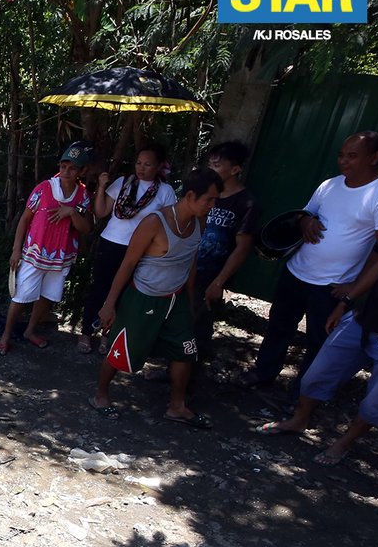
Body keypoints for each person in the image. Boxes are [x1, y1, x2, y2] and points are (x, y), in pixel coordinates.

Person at [241, 131, 378, 390]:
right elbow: (304, 214)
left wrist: (353, 291)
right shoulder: (330, 185)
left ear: (375, 157)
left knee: (319, 341)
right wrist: (305, 221)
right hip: (297, 271)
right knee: (278, 326)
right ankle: (264, 372)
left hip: (333, 283)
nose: (344, 161)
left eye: (353, 156)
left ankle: (303, 394)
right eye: (341, 155)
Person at [89, 168, 224, 426]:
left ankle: (177, 406)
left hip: (176, 299)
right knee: (122, 351)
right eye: (209, 199)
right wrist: (109, 304)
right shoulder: (154, 222)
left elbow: (191, 262)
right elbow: (127, 264)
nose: (212, 205)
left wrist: (190, 298)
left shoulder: (199, 221)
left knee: (186, 350)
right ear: (191, 195)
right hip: (143, 298)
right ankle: (100, 394)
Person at [256, 234, 378, 465]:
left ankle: (344, 443)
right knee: (316, 375)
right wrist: (346, 301)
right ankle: (299, 419)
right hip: (363, 319)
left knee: (375, 403)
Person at [0, 142, 93, 355]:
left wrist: (72, 213)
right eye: (64, 165)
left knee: (46, 296)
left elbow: (86, 228)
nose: (67, 171)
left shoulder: (82, 196)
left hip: (61, 257)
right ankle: (6, 335)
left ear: (82, 172)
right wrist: (16, 250)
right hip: (35, 254)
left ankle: (30, 330)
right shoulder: (45, 188)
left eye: (73, 168)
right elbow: (24, 220)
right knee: (21, 296)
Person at [78, 144, 178, 354]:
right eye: (139, 163)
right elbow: (102, 211)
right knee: (100, 289)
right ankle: (87, 332)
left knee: (124, 295)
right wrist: (102, 188)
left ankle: (108, 335)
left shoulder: (165, 191)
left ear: (159, 166)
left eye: (148, 164)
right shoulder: (122, 183)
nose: (141, 168)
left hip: (139, 251)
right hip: (111, 243)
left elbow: (169, 222)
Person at [193, 140, 261, 358]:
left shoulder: (246, 203)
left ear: (235, 169)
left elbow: (242, 248)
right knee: (178, 321)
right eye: (210, 165)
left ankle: (187, 377)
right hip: (188, 267)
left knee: (198, 325)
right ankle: (173, 368)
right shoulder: (204, 195)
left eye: (217, 166)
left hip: (211, 275)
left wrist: (219, 282)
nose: (211, 170)